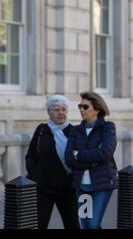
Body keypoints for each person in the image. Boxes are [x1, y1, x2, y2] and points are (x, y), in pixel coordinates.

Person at [25, 95, 80, 229]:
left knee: (72, 224)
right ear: (49, 112)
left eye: (64, 109)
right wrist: (34, 175)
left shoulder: (74, 131)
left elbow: (80, 157)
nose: (61, 113)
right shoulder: (42, 130)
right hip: (44, 188)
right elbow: (30, 155)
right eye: (56, 109)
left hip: (67, 188)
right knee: (39, 224)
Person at [65, 91, 117, 229]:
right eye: (80, 106)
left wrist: (79, 154)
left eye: (85, 107)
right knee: (86, 224)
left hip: (102, 184)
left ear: (97, 109)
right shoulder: (75, 130)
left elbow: (105, 153)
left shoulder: (107, 127)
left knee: (93, 224)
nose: (81, 110)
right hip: (81, 186)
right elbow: (69, 157)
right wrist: (93, 159)